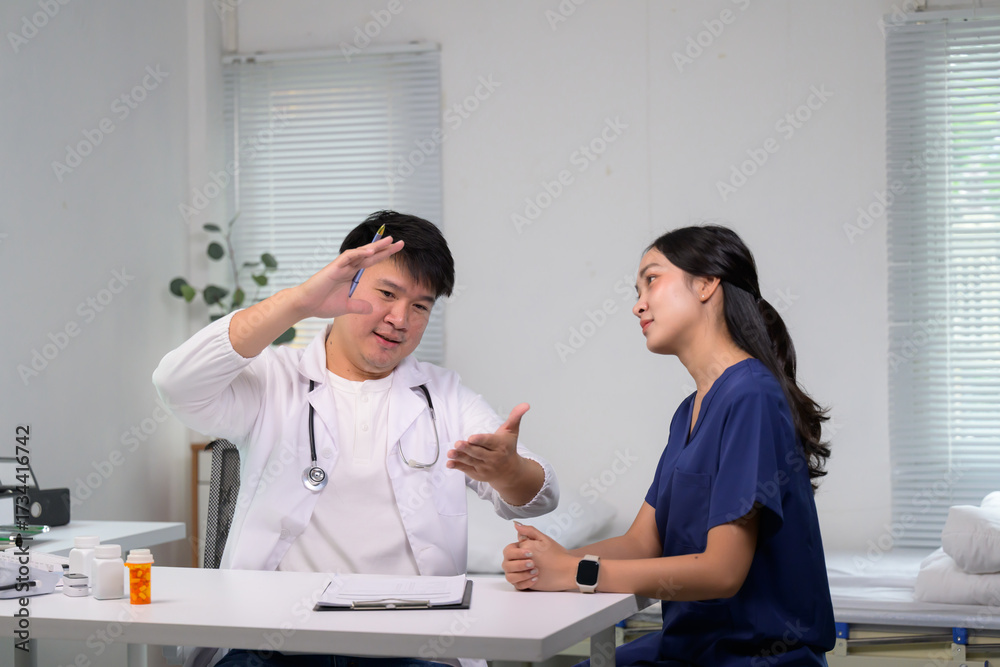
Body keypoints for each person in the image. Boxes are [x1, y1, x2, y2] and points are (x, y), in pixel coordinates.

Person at [153, 210, 558, 667]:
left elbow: (537, 497)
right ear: (344, 284)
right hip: (276, 644)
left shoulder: (444, 396)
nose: (400, 318)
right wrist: (297, 303)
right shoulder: (273, 380)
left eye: (421, 306)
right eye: (387, 293)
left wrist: (509, 472)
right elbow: (176, 384)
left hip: (410, 646)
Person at [502, 225, 835, 666]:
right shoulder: (690, 411)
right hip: (690, 650)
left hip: (753, 658)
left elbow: (722, 571)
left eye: (652, 280)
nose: (637, 303)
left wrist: (577, 574)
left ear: (706, 284)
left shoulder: (751, 394)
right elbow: (644, 542)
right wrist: (548, 561)